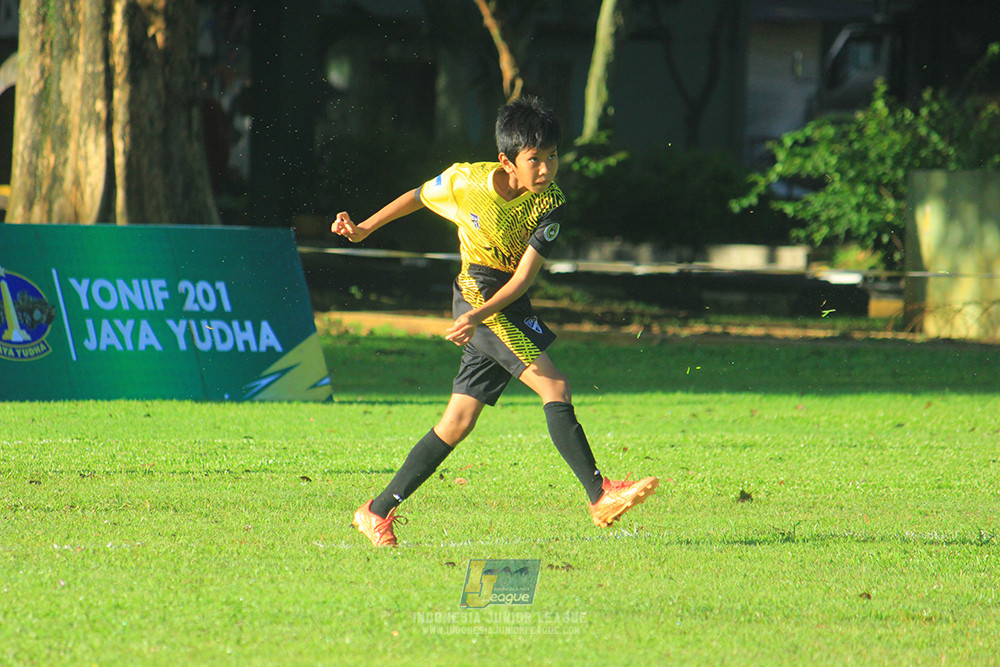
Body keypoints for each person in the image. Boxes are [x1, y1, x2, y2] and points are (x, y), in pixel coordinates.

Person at [332, 95, 657, 547]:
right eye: (535, 160)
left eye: (553, 157)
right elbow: (419, 196)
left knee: (457, 421)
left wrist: (480, 316)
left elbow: (524, 278)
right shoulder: (467, 181)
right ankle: (600, 494)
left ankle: (375, 510)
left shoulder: (551, 202)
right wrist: (365, 228)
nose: (546, 169)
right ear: (507, 161)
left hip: (500, 302)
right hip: (476, 294)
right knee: (554, 386)